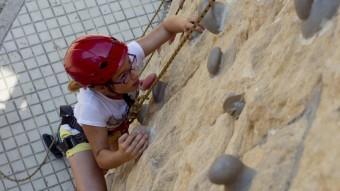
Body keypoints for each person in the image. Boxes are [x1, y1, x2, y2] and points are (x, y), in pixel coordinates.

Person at [43, 15, 203, 191]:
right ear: (102, 88)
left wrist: (184, 24)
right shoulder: (91, 108)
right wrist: (121, 155)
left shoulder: (122, 59)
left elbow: (165, 28)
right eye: (123, 76)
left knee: (101, 169)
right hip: (80, 132)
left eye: (130, 65)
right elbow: (101, 155)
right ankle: (61, 141)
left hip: (110, 124)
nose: (134, 74)